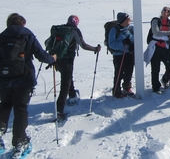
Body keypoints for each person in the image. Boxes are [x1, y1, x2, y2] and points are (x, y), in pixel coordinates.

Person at [0, 13, 56, 158]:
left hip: (4, 79)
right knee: (20, 109)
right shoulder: (27, 35)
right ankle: (20, 141)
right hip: (24, 79)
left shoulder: (2, 37)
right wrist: (52, 58)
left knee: (5, 105)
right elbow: (41, 55)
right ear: (22, 23)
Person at [55, 15, 100, 119]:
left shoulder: (59, 29)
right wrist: (95, 49)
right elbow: (83, 45)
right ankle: (59, 110)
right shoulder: (74, 30)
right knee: (65, 83)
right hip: (67, 58)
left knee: (67, 77)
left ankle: (72, 95)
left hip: (57, 59)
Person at [146, 7, 170, 94]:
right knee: (155, 68)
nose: (166, 12)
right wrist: (169, 33)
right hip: (155, 47)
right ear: (161, 11)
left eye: (168, 11)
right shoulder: (156, 21)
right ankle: (156, 87)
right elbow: (156, 32)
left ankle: (165, 79)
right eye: (164, 10)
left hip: (166, 47)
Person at [109, 12, 135, 98]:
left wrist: (132, 45)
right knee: (119, 72)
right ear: (122, 20)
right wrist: (123, 43)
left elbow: (136, 38)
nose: (129, 20)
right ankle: (116, 90)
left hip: (129, 54)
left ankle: (127, 87)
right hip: (119, 55)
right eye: (127, 19)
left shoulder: (131, 28)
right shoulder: (115, 30)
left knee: (129, 71)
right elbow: (111, 43)